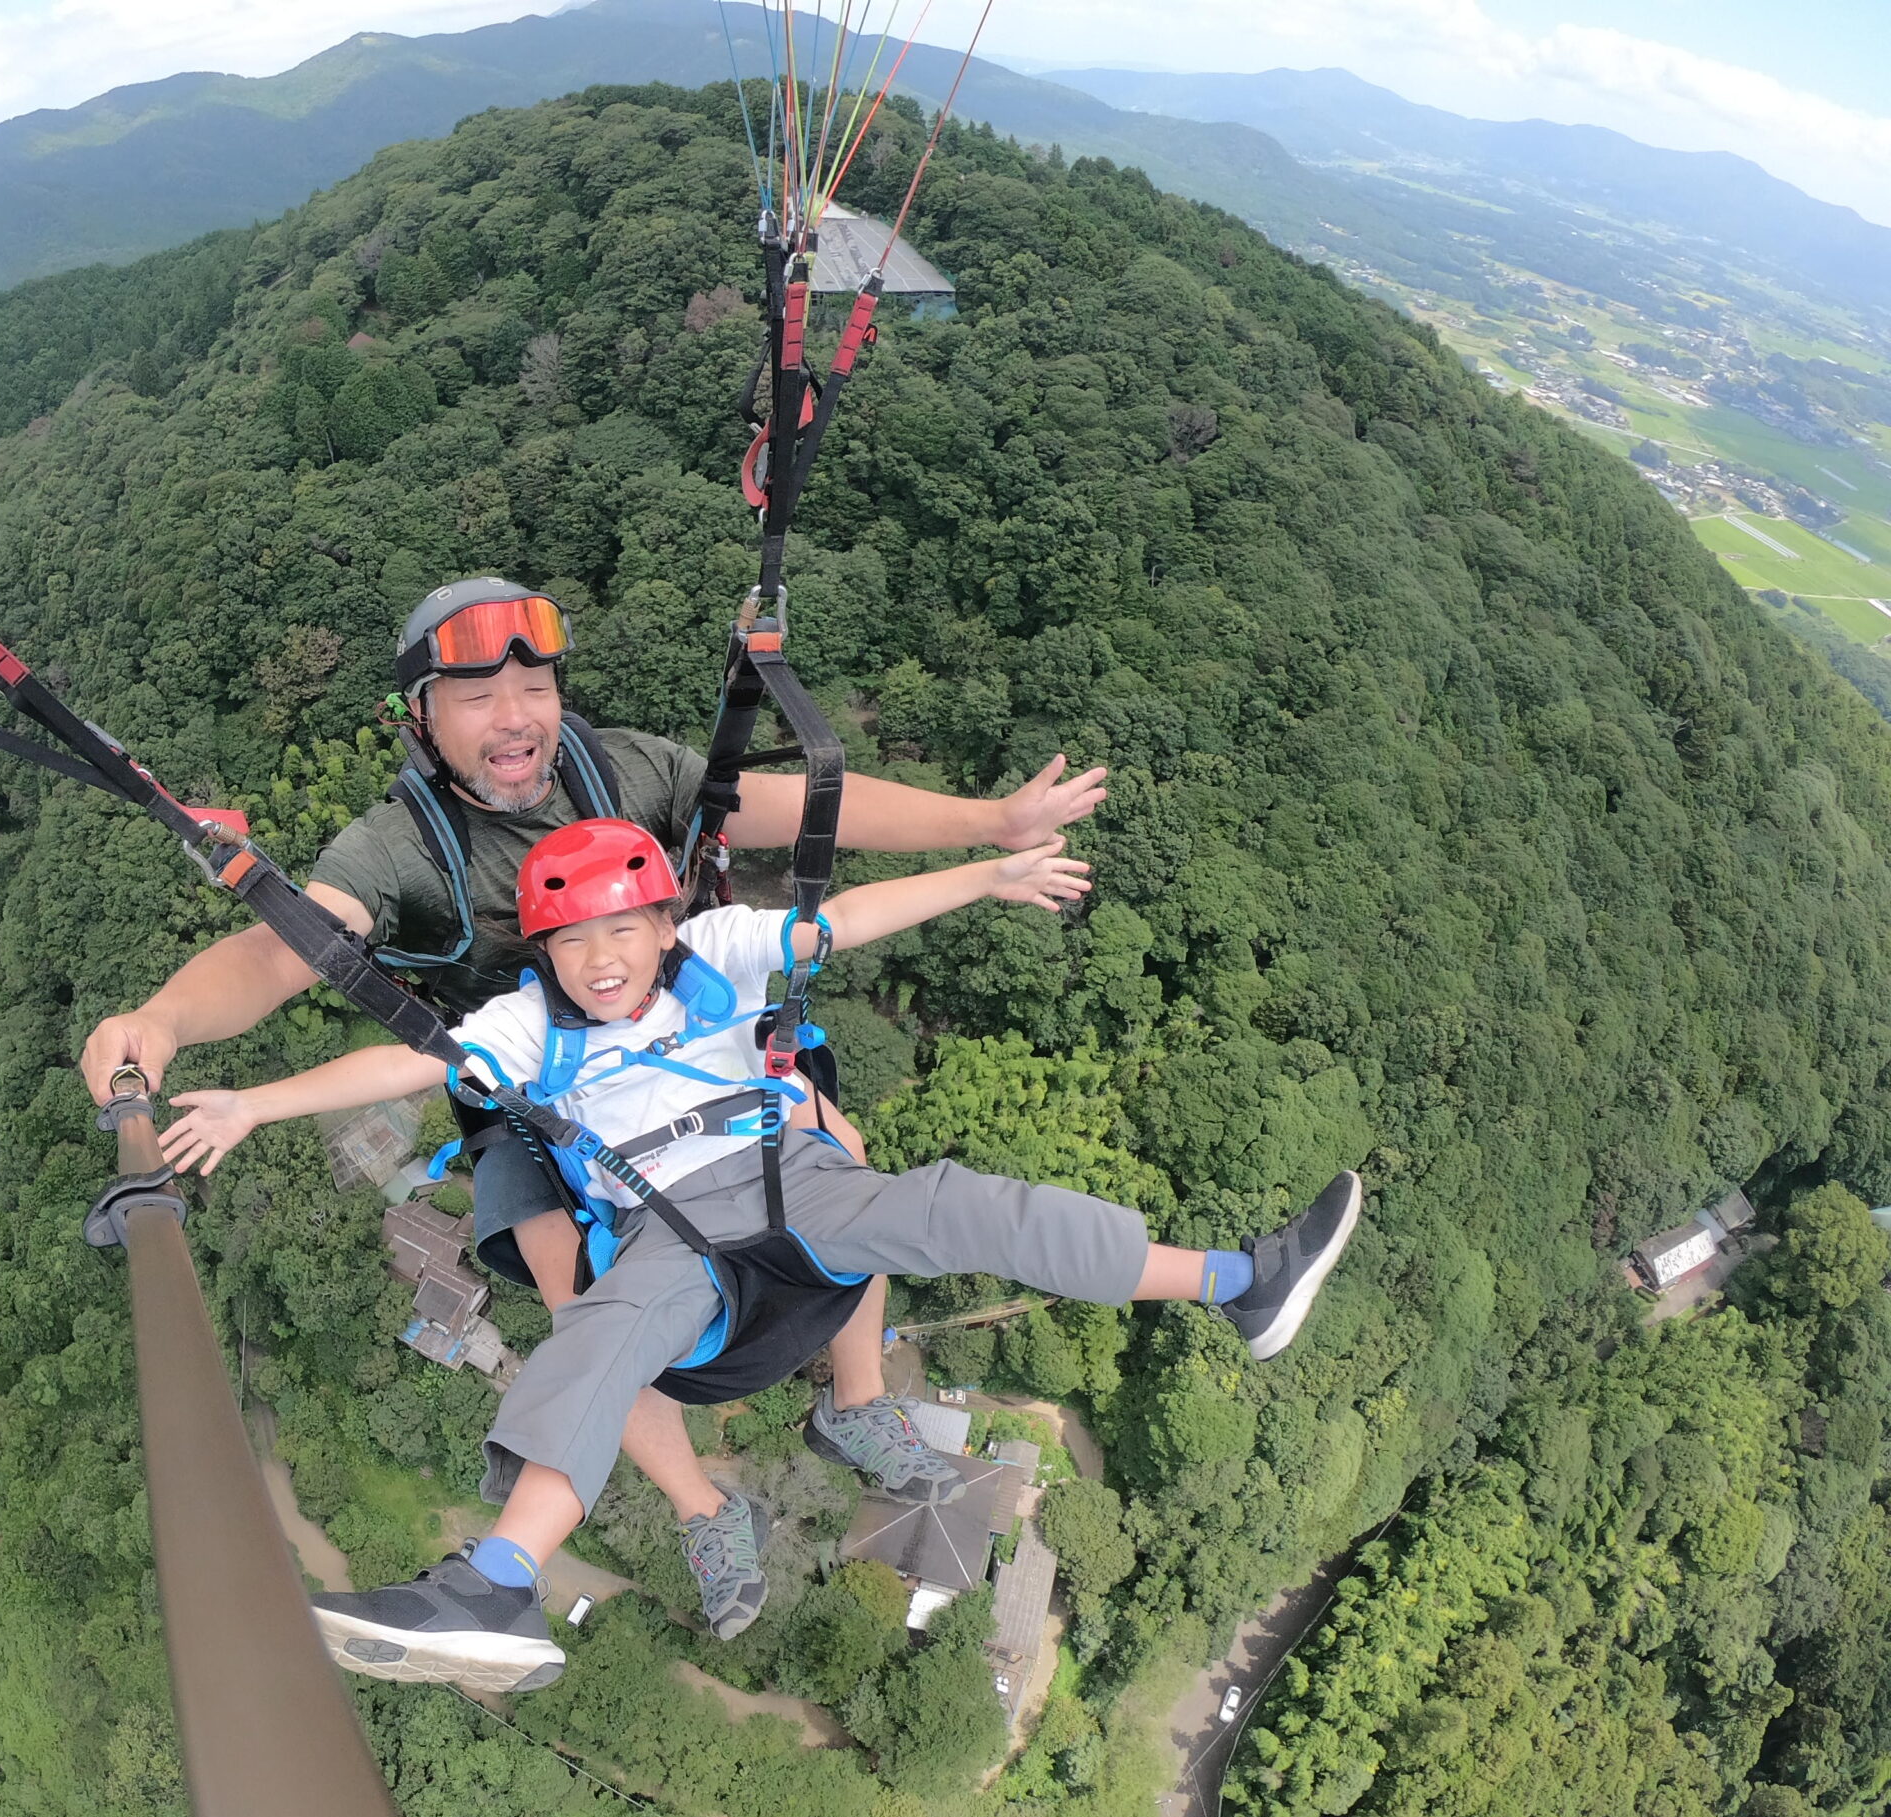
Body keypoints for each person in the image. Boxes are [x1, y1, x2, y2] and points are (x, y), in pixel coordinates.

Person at [78, 578, 1112, 1623]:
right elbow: (282, 948)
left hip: (683, 1032)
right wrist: (165, 1019)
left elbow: (805, 810)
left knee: (832, 1154)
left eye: (532, 684)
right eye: (475, 696)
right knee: (582, 1305)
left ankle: (857, 1402)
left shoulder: (618, 765)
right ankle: (703, 1507)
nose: (515, 715)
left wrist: (993, 823)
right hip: (525, 1085)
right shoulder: (399, 847)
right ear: (421, 720)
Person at [155, 818, 1363, 1692]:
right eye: (577, 943)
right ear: (546, 954)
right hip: (672, 1231)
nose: (606, 959)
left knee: (963, 1207)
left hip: (796, 1181)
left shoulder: (721, 951)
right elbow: (409, 1063)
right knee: (603, 1331)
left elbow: (844, 919)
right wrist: (255, 1103)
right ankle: (496, 1584)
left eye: (626, 928)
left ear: (664, 920)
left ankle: (1236, 1282)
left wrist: (988, 873)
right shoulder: (528, 1026)